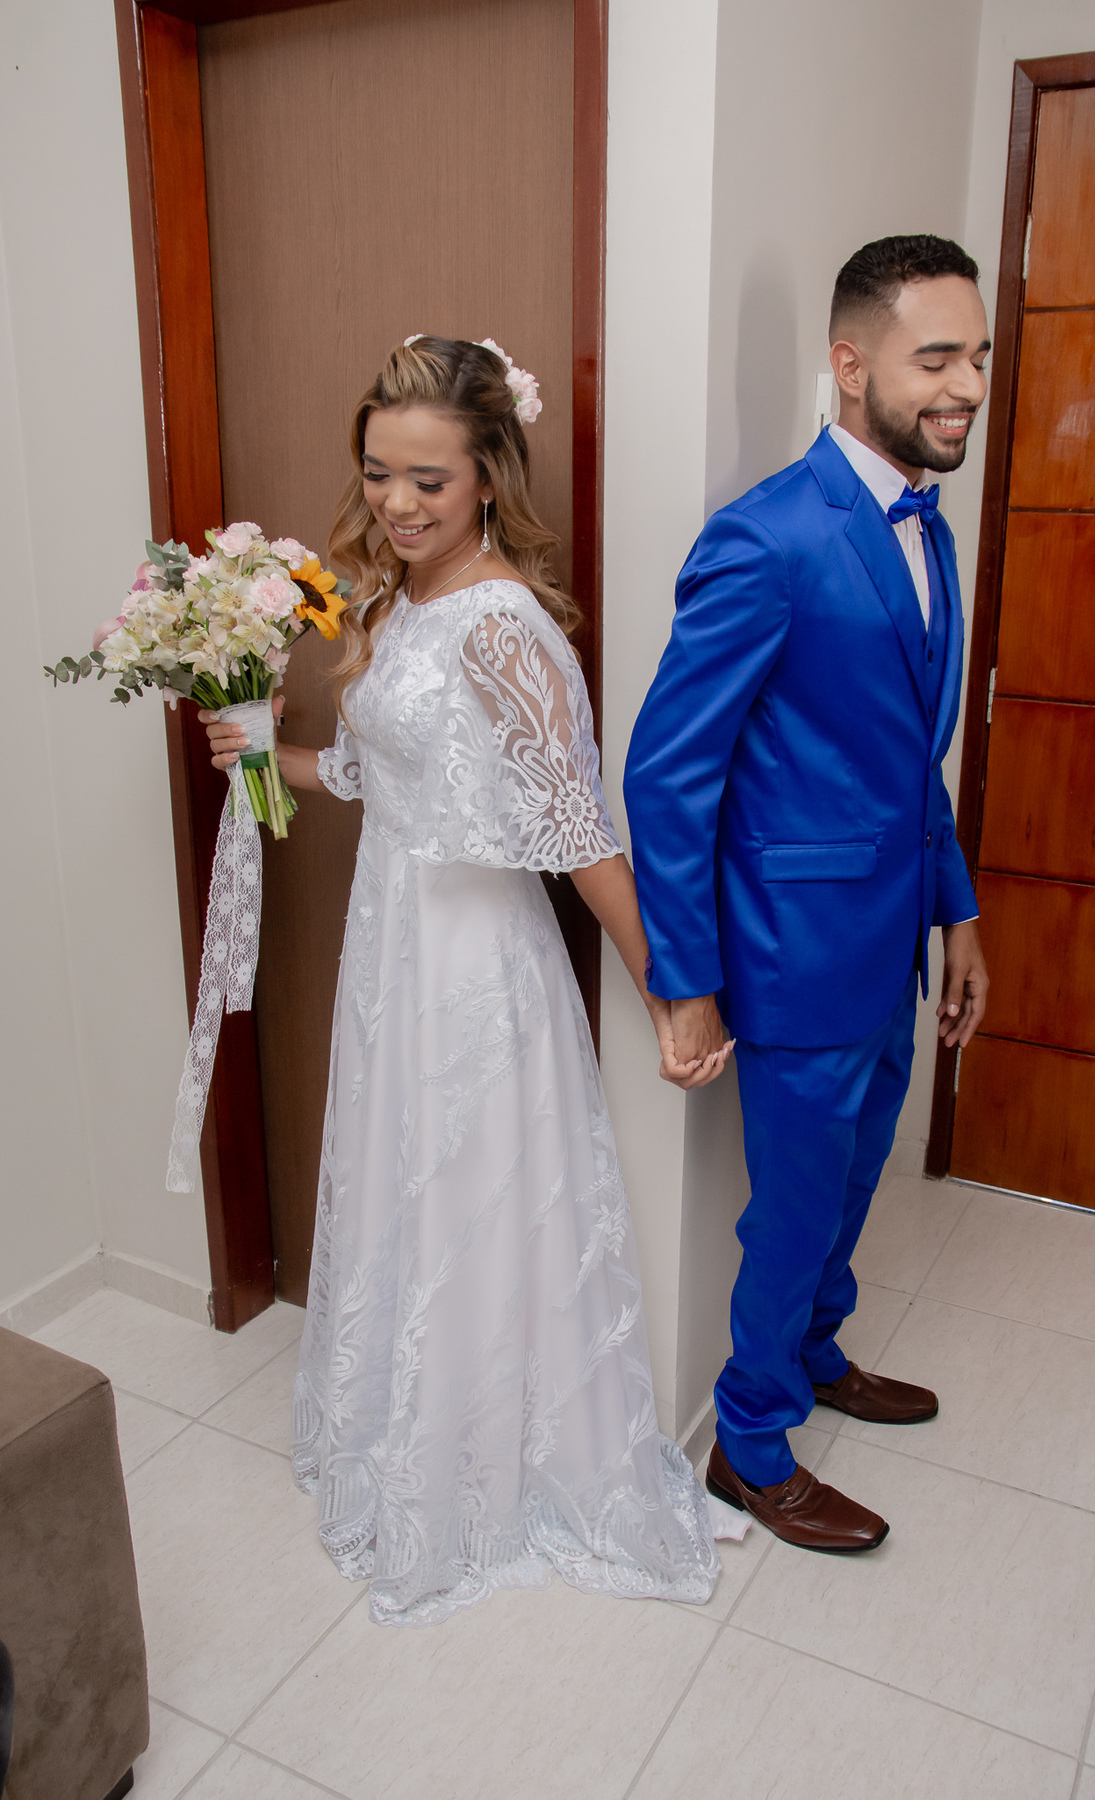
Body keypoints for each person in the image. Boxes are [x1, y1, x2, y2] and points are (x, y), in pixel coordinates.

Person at [202, 335, 733, 1625]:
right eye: (378, 473)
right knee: (403, 1182)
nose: (396, 503)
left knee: (474, 1193)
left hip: (475, 962)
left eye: (428, 480)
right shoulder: (398, 604)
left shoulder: (503, 627)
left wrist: (671, 994)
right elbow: (382, 776)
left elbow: (581, 834)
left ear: (490, 474)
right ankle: (408, 1428)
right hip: (391, 939)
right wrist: (269, 752)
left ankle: (489, 1464)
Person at [624, 236, 991, 1552]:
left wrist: (957, 914)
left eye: (978, 357)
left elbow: (906, 761)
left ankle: (819, 1353)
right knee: (789, 1212)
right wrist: (685, 983)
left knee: (854, 1176)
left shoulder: (925, 526)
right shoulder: (766, 538)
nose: (967, 387)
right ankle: (752, 1441)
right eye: (936, 359)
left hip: (893, 941)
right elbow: (668, 774)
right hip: (790, 954)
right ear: (849, 363)